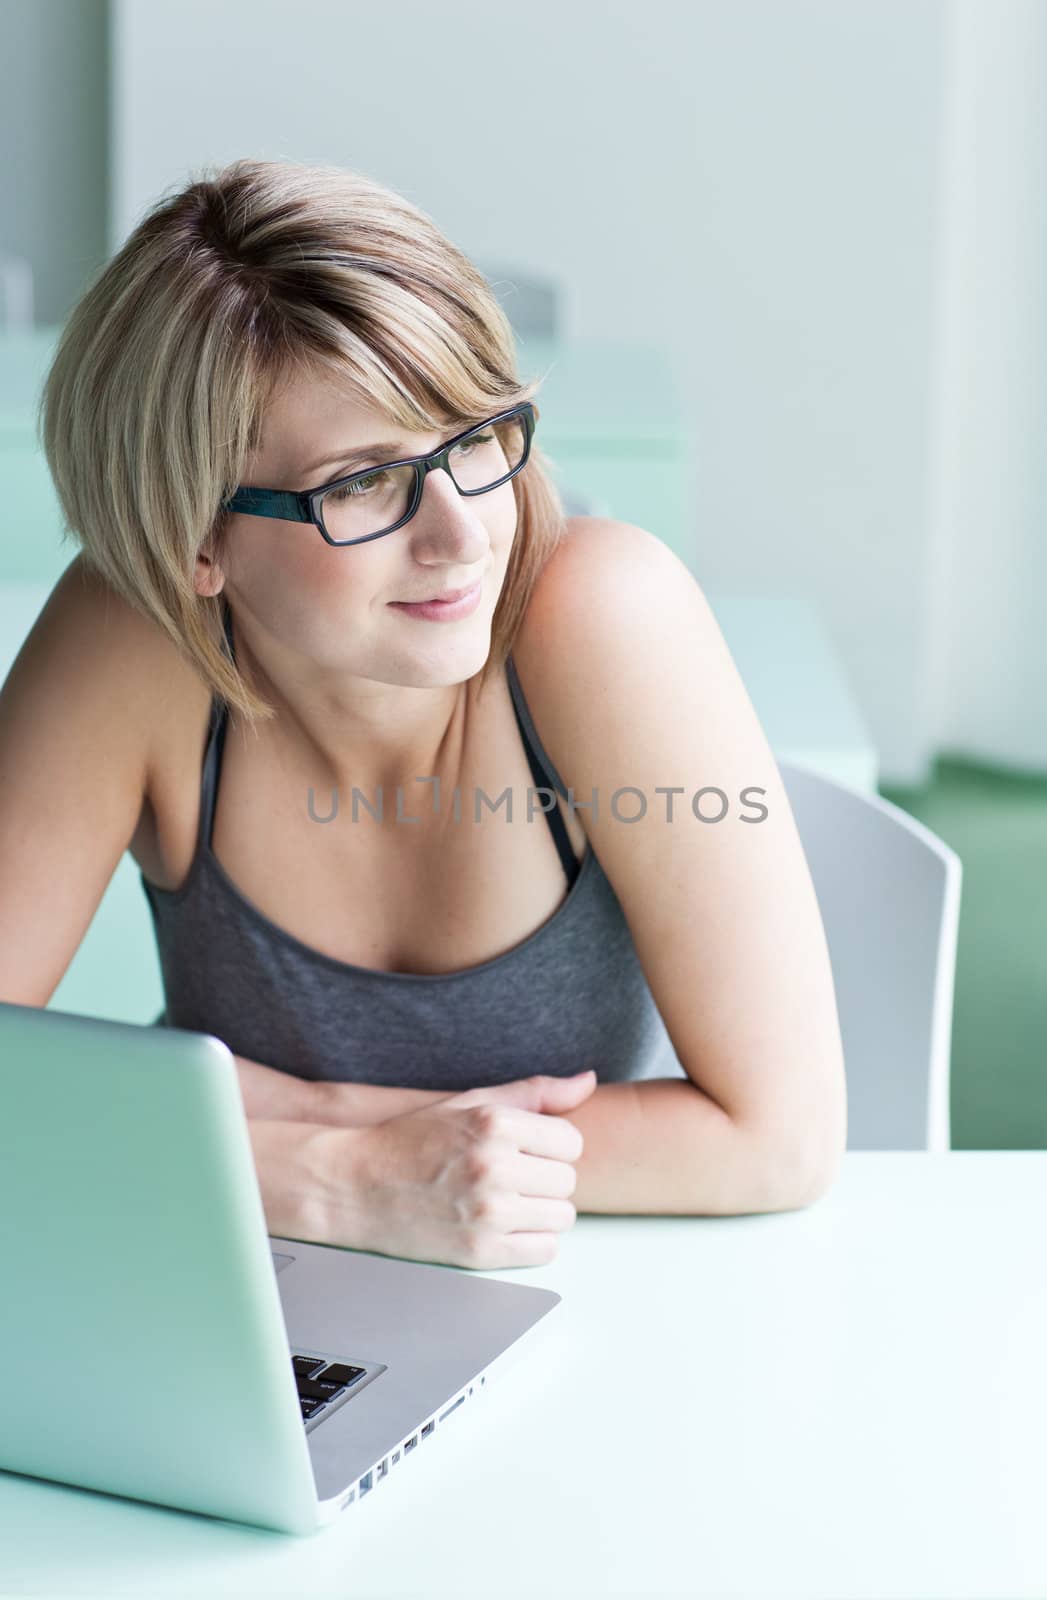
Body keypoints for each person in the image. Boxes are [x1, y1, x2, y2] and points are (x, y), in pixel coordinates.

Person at [0, 158, 847, 1271]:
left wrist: (301, 1119)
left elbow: (776, 1143)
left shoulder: (599, 615)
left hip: (586, 1275)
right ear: (195, 540)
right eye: (360, 481)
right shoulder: (134, 635)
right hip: (238, 1277)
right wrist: (331, 1178)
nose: (460, 535)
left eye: (472, 438)